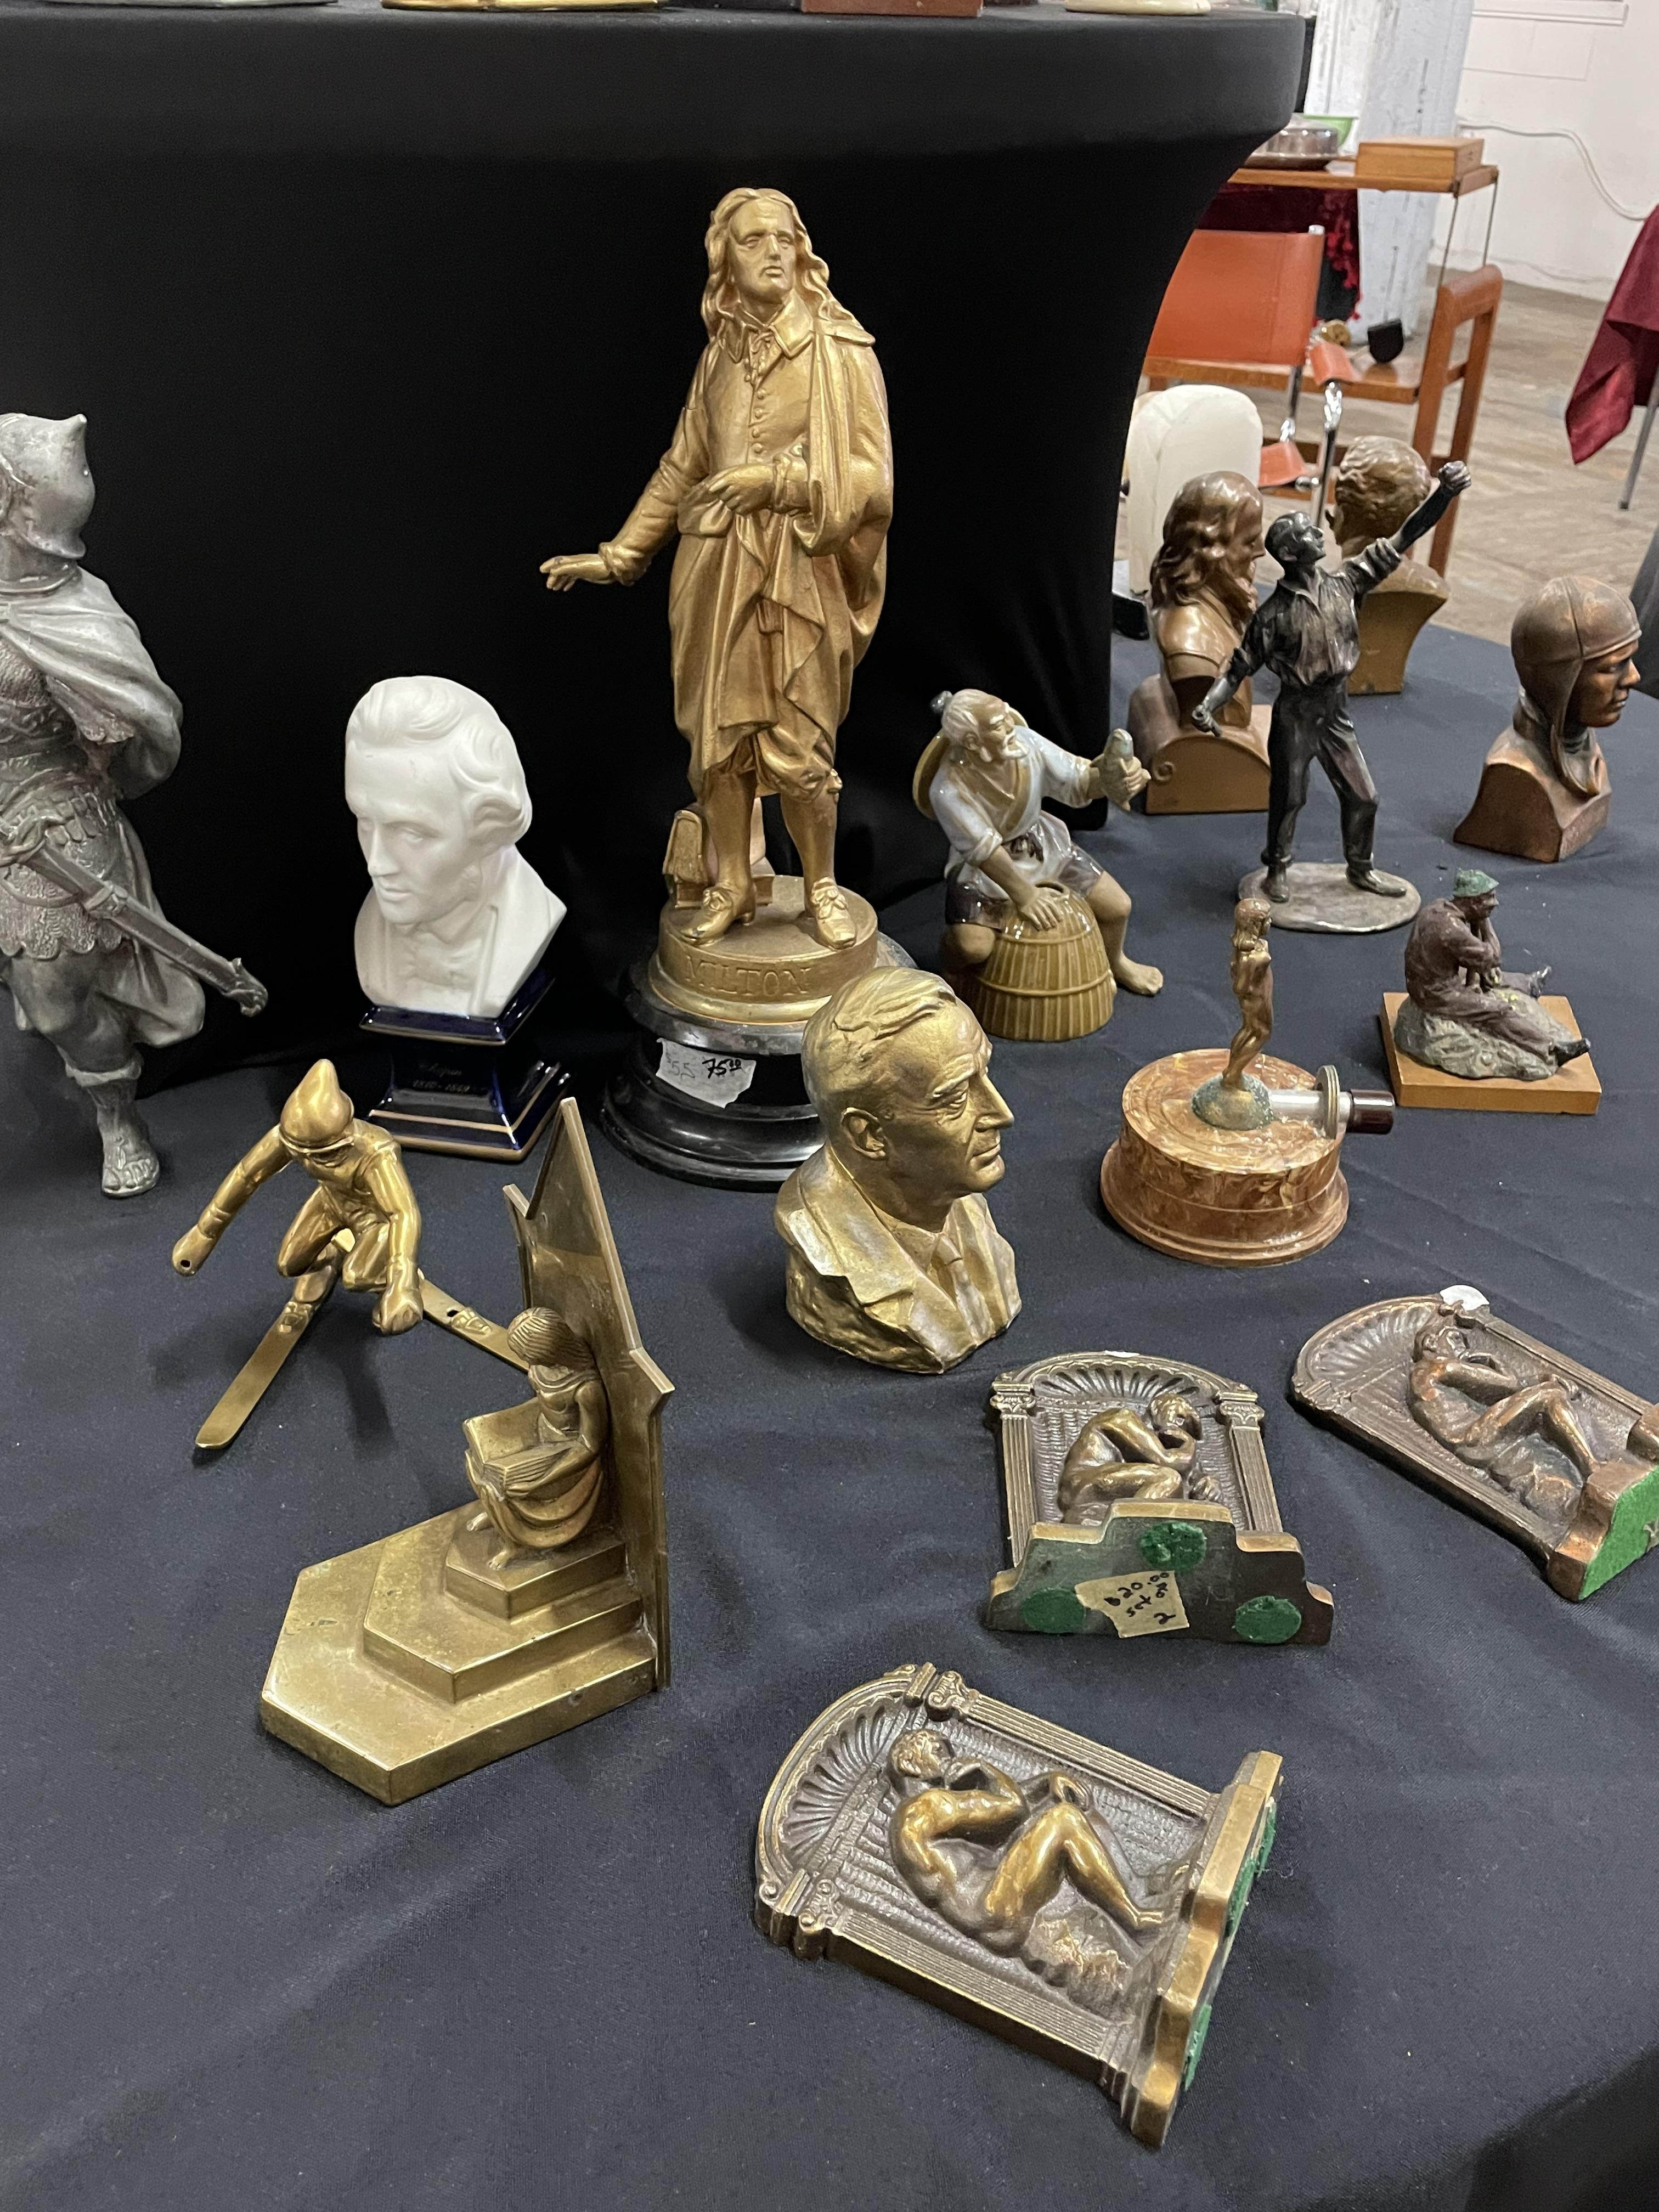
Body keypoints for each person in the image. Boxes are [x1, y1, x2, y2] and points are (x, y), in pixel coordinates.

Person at [541, 188, 892, 952]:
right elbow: (682, 467)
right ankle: (731, 885)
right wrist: (620, 554)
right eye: (752, 240)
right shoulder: (720, 358)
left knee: (802, 748)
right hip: (713, 570)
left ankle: (821, 886)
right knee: (719, 747)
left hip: (800, 575)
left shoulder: (842, 353)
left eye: (783, 239)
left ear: (802, 252)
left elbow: (875, 482)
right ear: (725, 260)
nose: (772, 252)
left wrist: (778, 483)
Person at [0, 411, 204, 1196]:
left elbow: (125, 734)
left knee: (57, 1002)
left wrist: (97, 730)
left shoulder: (77, 613)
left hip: (49, 814)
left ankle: (117, 1114)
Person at [1192, 460, 1470, 900]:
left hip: (1335, 707)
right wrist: (1209, 704)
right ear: (1289, 554)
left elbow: (1406, 535)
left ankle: (1361, 868)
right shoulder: (1272, 616)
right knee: (1289, 797)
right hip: (1296, 713)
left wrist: (1445, 494)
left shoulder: (1347, 583)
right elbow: (1238, 668)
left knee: (1364, 796)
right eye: (1306, 532)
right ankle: (1277, 868)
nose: (1319, 533)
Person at [775, 969, 1019, 1373]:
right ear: (869, 1135)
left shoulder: (953, 1197)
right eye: (955, 1098)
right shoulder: (823, 1245)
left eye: (986, 1073)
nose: (1001, 1113)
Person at [346, 675, 565, 1019]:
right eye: (364, 822)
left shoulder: (533, 921)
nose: (376, 864)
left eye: (412, 833)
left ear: (488, 828)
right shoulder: (374, 929)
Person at [923, 687, 1161, 995]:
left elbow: (1077, 780)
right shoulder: (948, 788)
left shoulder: (1027, 744)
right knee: (973, 946)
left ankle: (1115, 962)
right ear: (972, 742)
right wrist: (1026, 895)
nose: (1010, 725)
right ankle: (952, 969)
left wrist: (1110, 779)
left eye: (1006, 715)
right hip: (983, 871)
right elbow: (985, 852)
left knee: (1117, 906)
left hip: (1042, 846)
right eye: (998, 725)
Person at [171, 1059, 424, 1335]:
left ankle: (386, 1279)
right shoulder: (291, 1138)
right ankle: (329, 1259)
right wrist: (205, 1232)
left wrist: (403, 1281)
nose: (311, 1162)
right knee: (289, 1264)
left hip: (375, 1217)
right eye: (303, 1155)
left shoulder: (375, 1151)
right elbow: (246, 1177)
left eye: (325, 1155)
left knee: (357, 1276)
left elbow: (402, 1213)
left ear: (346, 1138)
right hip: (331, 1202)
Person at [886, 1726, 1164, 1950]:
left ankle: (1136, 1886)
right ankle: (1135, 1920)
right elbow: (1013, 1808)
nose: (950, 1757)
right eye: (938, 1750)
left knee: (1067, 1809)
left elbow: (1001, 1819)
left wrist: (1046, 1784)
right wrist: (985, 1769)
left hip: (988, 1913)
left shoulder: (912, 1818)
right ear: (910, 1764)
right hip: (996, 1907)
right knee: (1064, 1819)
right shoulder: (928, 1805)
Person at [1408, 1302, 1602, 1514]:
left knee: (1539, 1437)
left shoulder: (1420, 1378)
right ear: (1431, 1343)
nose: (1462, 1349)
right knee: (1550, 1394)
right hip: (1475, 1437)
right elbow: (1509, 1385)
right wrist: (1494, 1360)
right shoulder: (1441, 1366)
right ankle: (1592, 1466)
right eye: (1455, 1339)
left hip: (1473, 1440)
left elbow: (1503, 1394)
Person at [1398, 869, 1589, 1074]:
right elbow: (1492, 957)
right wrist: (1484, 922)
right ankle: (1550, 1048)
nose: (1495, 903)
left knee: (1490, 975)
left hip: (1431, 977)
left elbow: (1478, 961)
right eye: (1489, 898)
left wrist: (1478, 917)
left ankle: (1527, 985)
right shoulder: (1452, 930)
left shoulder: (1438, 908)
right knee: (1497, 1010)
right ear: (1473, 902)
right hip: (1435, 993)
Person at [463, 1306, 609, 1568]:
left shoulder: (586, 1388)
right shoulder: (543, 1366)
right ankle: (495, 1516)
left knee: (503, 1482)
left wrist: (542, 1480)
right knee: (476, 1457)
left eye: (528, 1355)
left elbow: (590, 1445)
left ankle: (515, 1544)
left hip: (568, 1449)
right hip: (540, 1426)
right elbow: (540, 1401)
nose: (525, 1360)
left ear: (549, 1350)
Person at [1144, 470, 1267, 733]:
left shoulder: (1210, 608)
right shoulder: (1192, 648)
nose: (1261, 551)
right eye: (1250, 541)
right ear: (1209, 551)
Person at [1056, 1391, 1213, 1522]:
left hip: (1109, 1486)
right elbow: (1170, 1462)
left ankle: (1115, 1520)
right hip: (1082, 1484)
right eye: (1179, 1417)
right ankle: (1128, 1528)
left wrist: (1207, 1484)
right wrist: (1189, 1443)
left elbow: (1189, 1477)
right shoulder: (1122, 1418)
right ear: (1157, 1409)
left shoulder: (1157, 1447)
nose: (1180, 1428)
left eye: (1185, 1427)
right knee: (1167, 1479)